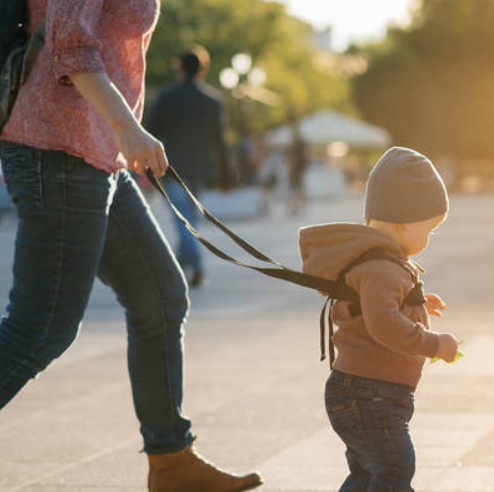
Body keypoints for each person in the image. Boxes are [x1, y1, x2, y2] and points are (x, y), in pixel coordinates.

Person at [0, 2, 261, 492]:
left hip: (96, 155)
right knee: (41, 328)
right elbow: (68, 42)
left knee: (160, 297)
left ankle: (172, 462)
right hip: (56, 150)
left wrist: (119, 135)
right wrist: (129, 127)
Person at [299, 146, 460, 491]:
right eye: (427, 230)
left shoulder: (379, 262)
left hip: (367, 393)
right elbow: (384, 324)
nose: (428, 240)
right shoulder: (381, 268)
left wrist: (415, 304)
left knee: (368, 474)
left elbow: (375, 307)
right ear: (403, 222)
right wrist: (434, 344)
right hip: (370, 395)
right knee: (395, 469)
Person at [147, 45, 233, 288]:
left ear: (180, 69)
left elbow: (151, 131)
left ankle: (189, 264)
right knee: (188, 219)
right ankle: (186, 264)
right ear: (202, 70)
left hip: (171, 168)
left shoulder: (166, 97)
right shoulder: (213, 101)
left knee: (182, 219)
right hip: (199, 170)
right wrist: (226, 175)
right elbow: (220, 141)